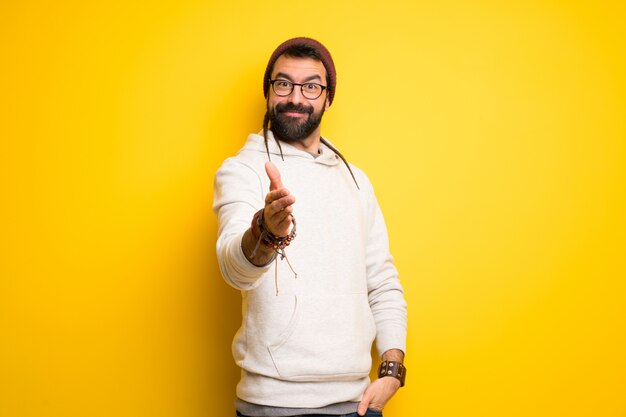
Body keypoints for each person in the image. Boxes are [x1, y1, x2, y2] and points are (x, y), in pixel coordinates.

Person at [213, 37, 407, 417]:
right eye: (283, 84)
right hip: (273, 405)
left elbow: (381, 280)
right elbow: (233, 269)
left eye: (311, 86)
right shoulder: (243, 169)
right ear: (269, 92)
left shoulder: (356, 180)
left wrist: (392, 369)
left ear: (328, 97)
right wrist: (265, 232)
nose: (295, 98)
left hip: (359, 404)